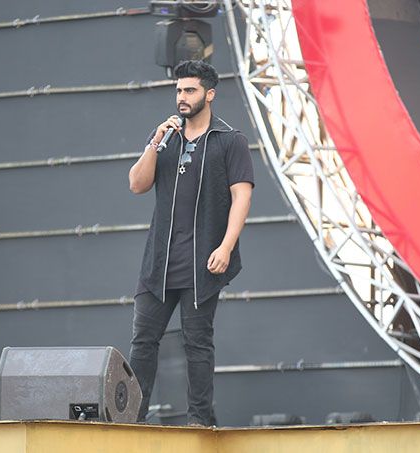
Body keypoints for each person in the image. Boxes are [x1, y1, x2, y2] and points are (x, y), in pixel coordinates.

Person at [127, 60, 254, 426]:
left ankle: (200, 419)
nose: (182, 97)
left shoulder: (230, 140)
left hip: (203, 261)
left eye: (190, 90)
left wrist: (226, 247)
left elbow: (241, 198)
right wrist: (153, 143)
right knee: (143, 340)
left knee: (197, 343)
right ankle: (133, 418)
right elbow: (136, 184)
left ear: (209, 94)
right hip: (160, 262)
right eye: (179, 90)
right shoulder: (167, 139)